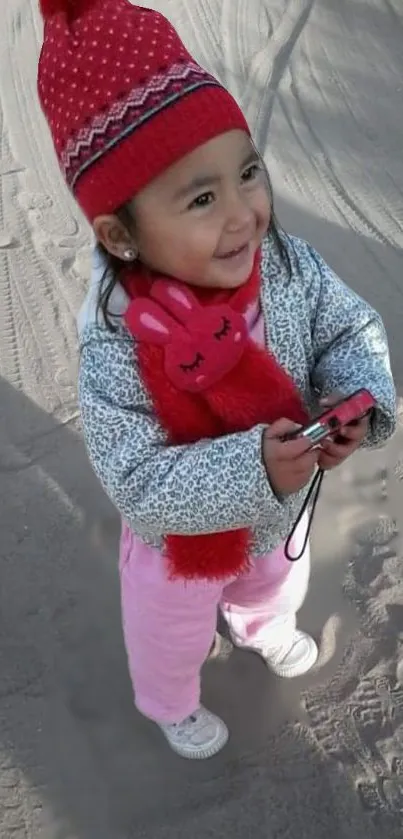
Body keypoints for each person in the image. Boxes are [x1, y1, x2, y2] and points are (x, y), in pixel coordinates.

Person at [38, 0, 396, 760]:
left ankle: (263, 628)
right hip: (182, 544)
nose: (243, 214)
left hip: (282, 508)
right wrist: (248, 468)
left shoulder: (286, 268)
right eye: (201, 198)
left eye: (247, 172)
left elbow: (348, 327)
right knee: (169, 629)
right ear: (119, 234)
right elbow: (136, 478)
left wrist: (355, 400)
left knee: (275, 585)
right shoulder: (115, 342)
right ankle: (169, 700)